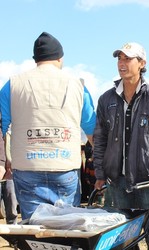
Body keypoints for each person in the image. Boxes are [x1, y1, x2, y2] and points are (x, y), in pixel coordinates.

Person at [93, 42, 149, 249]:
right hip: (116, 183)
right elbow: (100, 139)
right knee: (122, 237)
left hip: (148, 182)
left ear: (142, 63)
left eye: (128, 59)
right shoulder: (106, 99)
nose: (122, 63)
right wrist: (99, 174)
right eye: (119, 59)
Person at [0, 32, 96, 220]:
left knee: (34, 225)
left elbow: (4, 127)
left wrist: (7, 160)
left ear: (36, 59)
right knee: (66, 226)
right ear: (60, 58)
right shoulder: (78, 85)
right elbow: (92, 131)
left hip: (27, 167)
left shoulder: (12, 85)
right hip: (65, 167)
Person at [0, 126, 18, 224]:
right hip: (3, 168)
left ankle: (13, 226)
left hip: (12, 170)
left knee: (11, 196)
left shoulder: (14, 130)